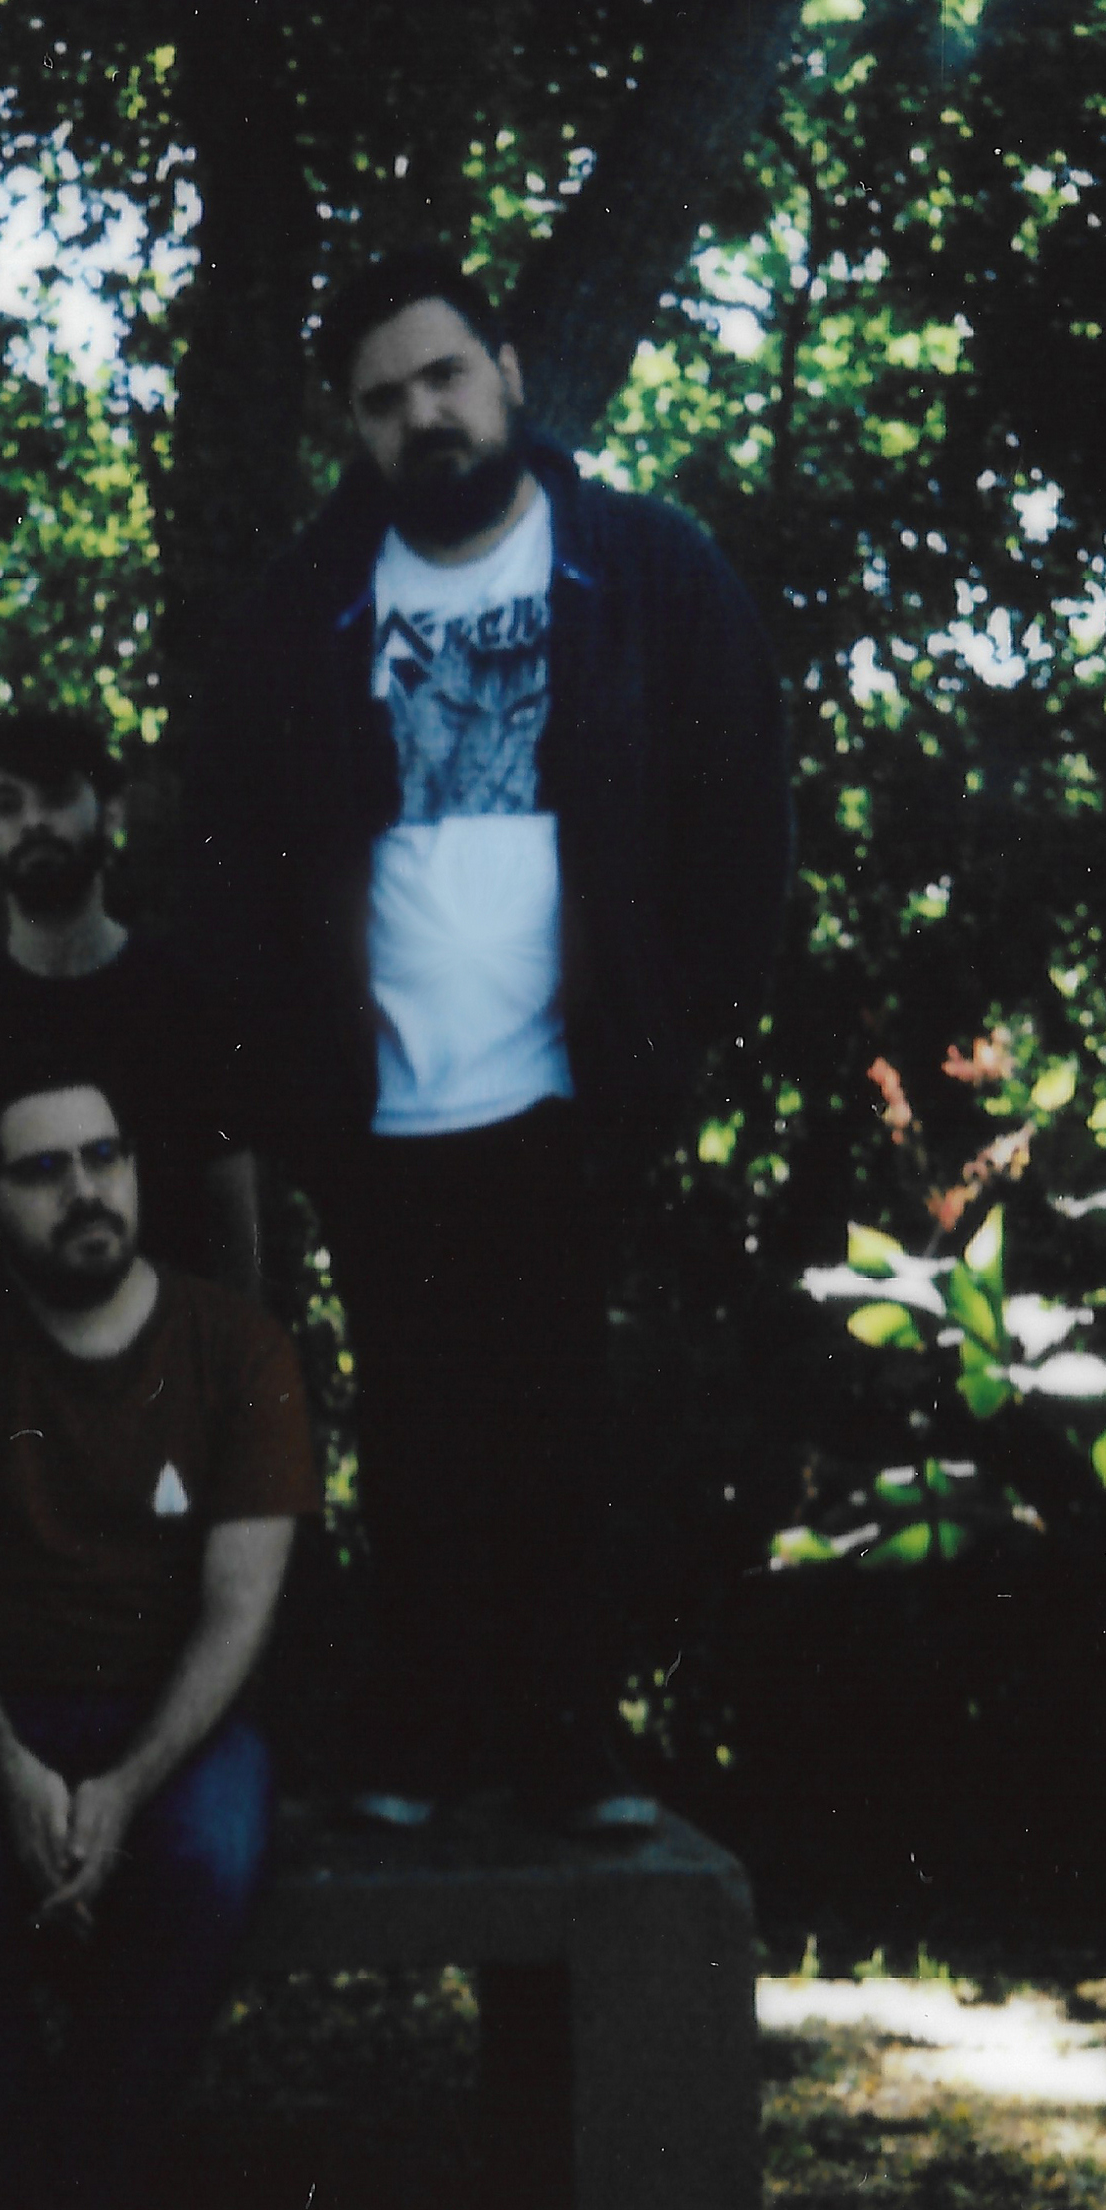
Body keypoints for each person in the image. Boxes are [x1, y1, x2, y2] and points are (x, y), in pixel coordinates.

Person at [173, 248, 792, 1832]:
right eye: (382, 398)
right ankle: (424, 1742)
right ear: (354, 426)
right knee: (414, 1427)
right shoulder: (300, 609)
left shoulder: (642, 568)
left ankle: (568, 1749)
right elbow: (226, 858)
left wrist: (683, 1027)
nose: (423, 415)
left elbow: (739, 805)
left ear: (508, 373)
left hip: (575, 1081)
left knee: (564, 1419)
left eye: (444, 375)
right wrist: (283, 1083)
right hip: (376, 1101)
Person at [0, 1069, 317, 2210]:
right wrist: (12, 1770)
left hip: (177, 1720)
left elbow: (239, 1612)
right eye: (43, 1170)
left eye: (105, 1157)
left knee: (207, 1854)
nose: (86, 1190)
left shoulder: (237, 1348)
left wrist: (126, 1784)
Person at [0, 709, 261, 1339]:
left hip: (167, 1367)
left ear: (112, 814)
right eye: (6, 805)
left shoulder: (189, 1001)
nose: (33, 822)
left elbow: (236, 1232)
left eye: (57, 796)